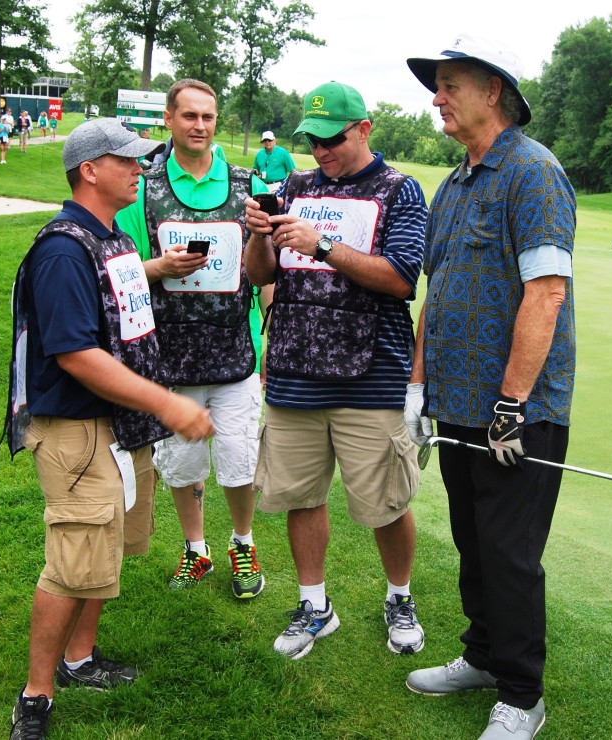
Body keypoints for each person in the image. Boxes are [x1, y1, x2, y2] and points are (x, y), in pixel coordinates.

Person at [5, 117, 213, 740]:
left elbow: (114, 302)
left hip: (122, 429)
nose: (139, 169)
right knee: (72, 564)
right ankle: (35, 695)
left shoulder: (112, 237)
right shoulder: (64, 249)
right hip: (79, 432)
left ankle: (80, 659)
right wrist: (168, 403)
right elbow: (76, 354)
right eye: (126, 161)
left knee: (109, 549)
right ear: (89, 170)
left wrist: (154, 269)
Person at [402, 36, 577, 739]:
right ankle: (482, 656)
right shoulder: (455, 183)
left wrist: (510, 406)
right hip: (456, 405)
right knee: (474, 542)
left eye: (449, 84)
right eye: (436, 85)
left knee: (509, 554)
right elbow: (436, 294)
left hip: (517, 413)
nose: (437, 96)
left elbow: (546, 293)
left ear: (492, 92)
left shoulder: (533, 173)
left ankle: (523, 694)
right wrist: (417, 390)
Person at [243, 80, 428, 660]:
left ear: (364, 130)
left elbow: (401, 278)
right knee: (301, 496)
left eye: (332, 139)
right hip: (294, 371)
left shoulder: (399, 189)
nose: (320, 151)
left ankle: (399, 597)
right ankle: (314, 605)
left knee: (386, 502)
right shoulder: (294, 186)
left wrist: (322, 246)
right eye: (312, 140)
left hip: (370, 376)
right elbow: (261, 277)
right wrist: (258, 235)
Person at [117, 79, 271, 597]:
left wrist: (270, 334)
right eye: (189, 116)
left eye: (208, 116)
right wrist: (160, 266)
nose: (199, 126)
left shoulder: (247, 183)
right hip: (171, 357)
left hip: (235, 352)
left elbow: (267, 271)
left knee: (238, 457)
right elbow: (119, 270)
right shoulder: (144, 187)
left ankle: (243, 544)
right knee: (182, 464)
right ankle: (195, 550)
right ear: (169, 118)